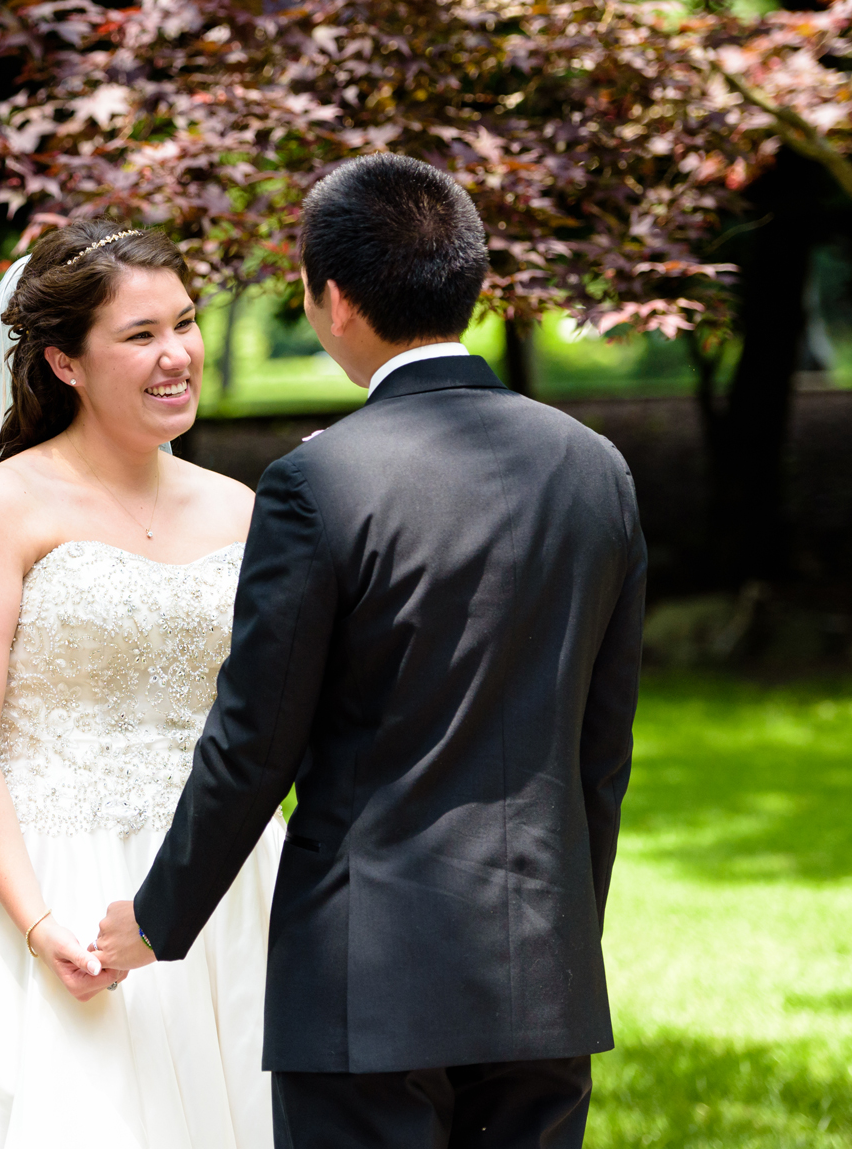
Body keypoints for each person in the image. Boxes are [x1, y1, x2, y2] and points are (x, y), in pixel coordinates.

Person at [96, 153, 647, 1149]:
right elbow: (599, 747)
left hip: (364, 971)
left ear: (333, 300)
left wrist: (156, 917)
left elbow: (254, 740)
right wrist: (564, 926)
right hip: (542, 966)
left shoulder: (319, 483)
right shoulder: (593, 468)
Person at [0, 221, 285, 1148]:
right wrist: (38, 917)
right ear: (65, 362)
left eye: (185, 321)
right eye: (139, 335)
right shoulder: (0, 509)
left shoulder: (246, 510)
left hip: (226, 880)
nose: (177, 355)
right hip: (54, 877)